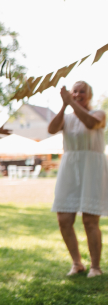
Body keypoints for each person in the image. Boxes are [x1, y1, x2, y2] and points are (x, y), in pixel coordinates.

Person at [48, 81, 107, 278]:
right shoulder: (67, 116)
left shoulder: (99, 114)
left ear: (89, 95)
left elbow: (90, 124)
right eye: (75, 91)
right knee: (64, 219)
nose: (78, 94)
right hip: (70, 168)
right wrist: (64, 105)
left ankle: (95, 267)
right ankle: (76, 263)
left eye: (82, 91)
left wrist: (71, 103)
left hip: (92, 168)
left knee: (90, 221)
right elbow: (51, 129)